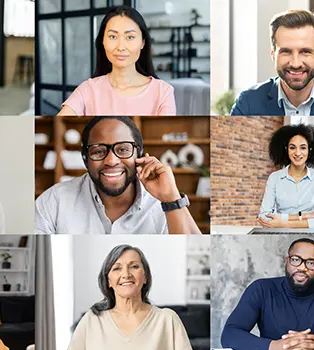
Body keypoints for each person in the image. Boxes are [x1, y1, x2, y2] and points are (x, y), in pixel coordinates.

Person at [35, 117, 201, 234]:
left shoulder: (165, 202)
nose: (111, 160)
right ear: (85, 159)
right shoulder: (53, 201)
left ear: (139, 154)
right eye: (99, 151)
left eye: (123, 149)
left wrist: (171, 199)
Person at [230, 9, 314, 116]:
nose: (295, 63)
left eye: (305, 51)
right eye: (286, 51)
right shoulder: (248, 102)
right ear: (273, 55)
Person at [68, 244, 192, 350]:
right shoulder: (92, 320)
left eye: (134, 266)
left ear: (145, 277)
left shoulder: (167, 319)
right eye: (117, 268)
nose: (126, 274)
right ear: (108, 281)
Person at [57, 6, 176, 116]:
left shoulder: (163, 92)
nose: (121, 47)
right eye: (113, 37)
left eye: (130, 37)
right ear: (103, 41)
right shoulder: (87, 90)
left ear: (142, 42)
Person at [258, 124, 314, 228]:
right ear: (286, 149)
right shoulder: (274, 178)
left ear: (309, 150)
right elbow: (264, 217)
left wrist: (284, 223)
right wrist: (309, 215)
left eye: (303, 148)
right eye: (292, 147)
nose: (297, 153)